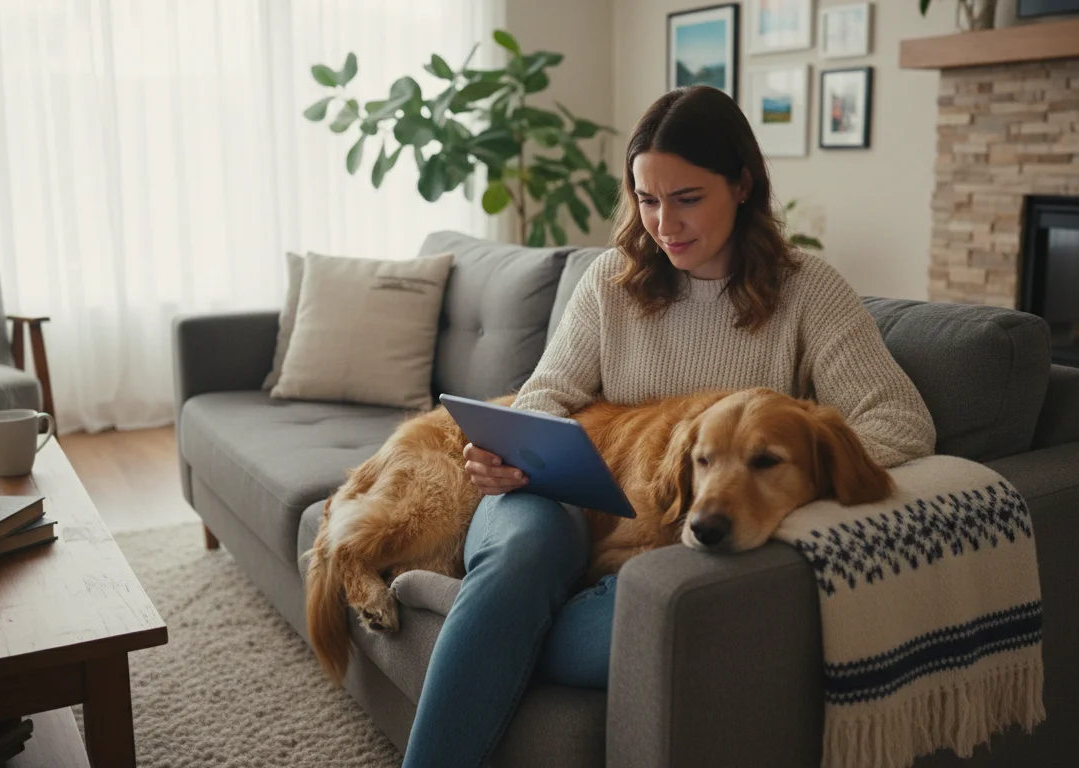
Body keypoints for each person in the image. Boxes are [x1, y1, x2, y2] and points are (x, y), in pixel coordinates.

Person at [399, 84, 936, 768]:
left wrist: (796, 477)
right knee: (523, 557)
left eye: (687, 199)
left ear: (742, 185)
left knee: (650, 614)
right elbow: (544, 393)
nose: (664, 223)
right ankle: (496, 602)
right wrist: (517, 455)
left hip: (672, 534)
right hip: (560, 495)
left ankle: (479, 613)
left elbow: (900, 421)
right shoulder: (611, 282)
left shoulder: (808, 291)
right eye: (647, 200)